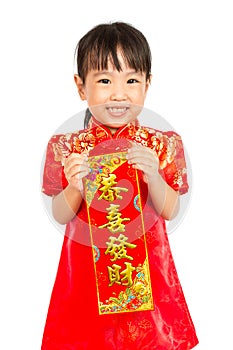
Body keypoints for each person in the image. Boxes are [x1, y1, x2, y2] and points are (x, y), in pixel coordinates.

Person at [41, 22, 199, 350]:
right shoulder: (67, 147)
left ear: (147, 84)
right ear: (81, 86)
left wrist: (154, 177)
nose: (118, 93)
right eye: (104, 80)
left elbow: (170, 210)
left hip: (148, 277)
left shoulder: (160, 145)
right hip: (85, 275)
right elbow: (59, 213)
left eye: (131, 80)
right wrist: (74, 187)